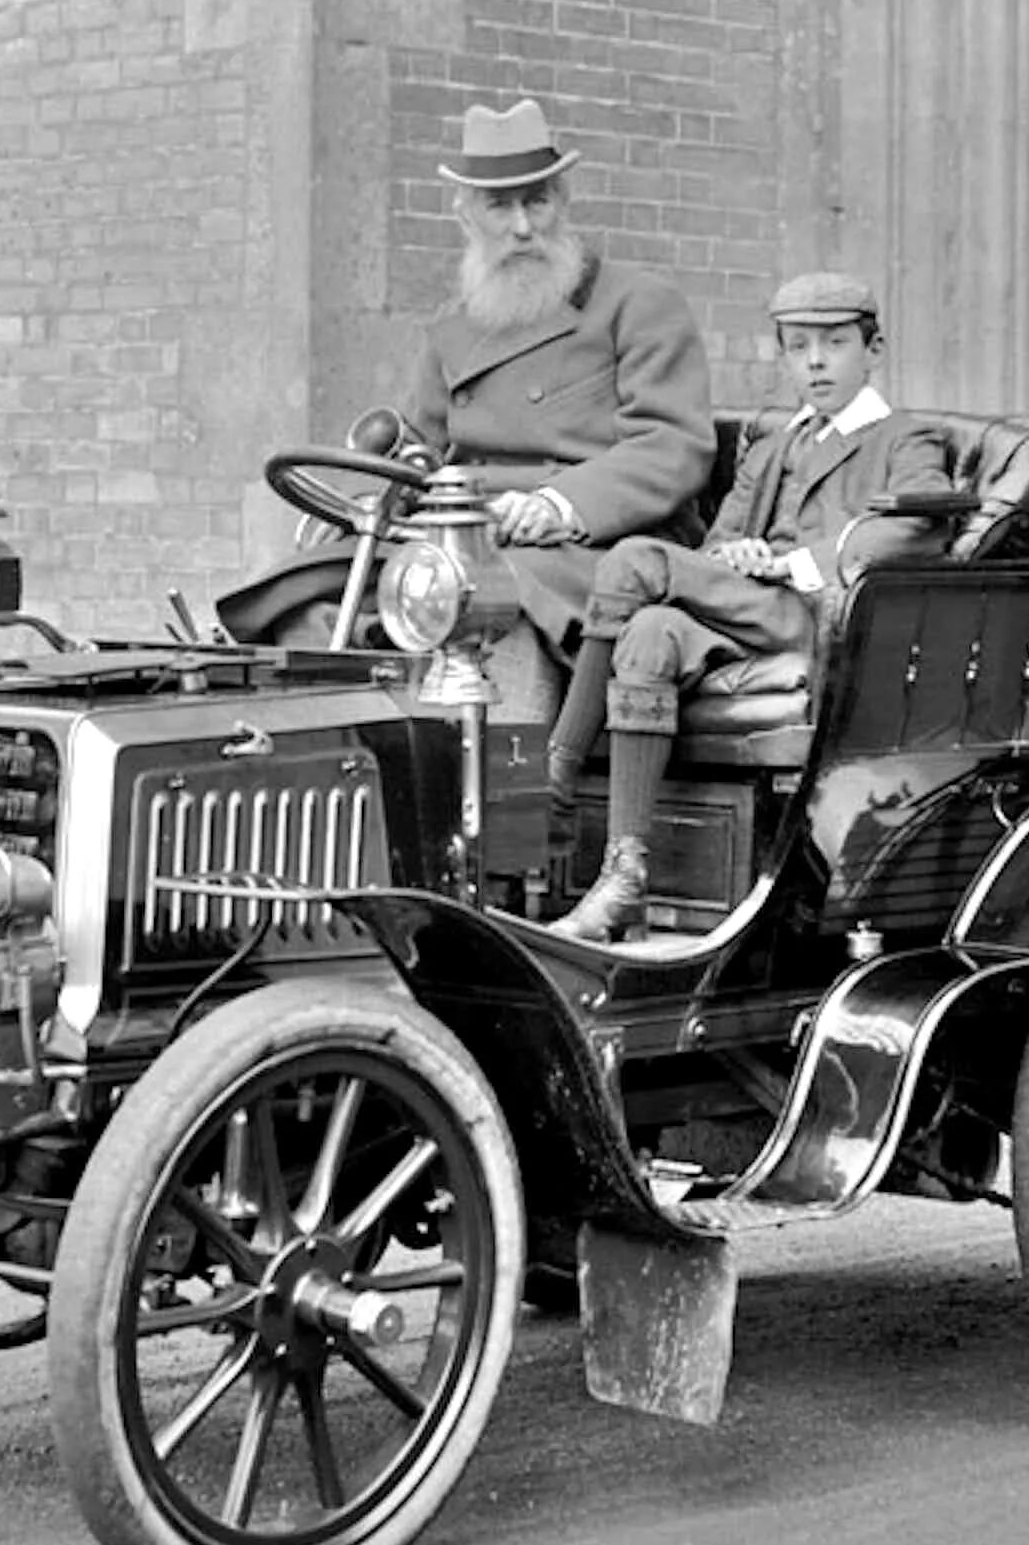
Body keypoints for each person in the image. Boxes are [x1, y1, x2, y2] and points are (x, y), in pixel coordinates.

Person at [217, 98, 714, 655]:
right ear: (466, 217)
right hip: (459, 537)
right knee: (302, 601)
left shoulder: (639, 305)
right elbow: (410, 453)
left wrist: (557, 505)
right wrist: (360, 505)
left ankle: (516, 744)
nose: (524, 227)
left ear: (563, 202)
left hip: (601, 542)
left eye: (538, 201)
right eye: (500, 207)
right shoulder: (452, 333)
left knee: (490, 606)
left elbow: (673, 446)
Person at [546, 272, 954, 943]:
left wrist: (793, 563)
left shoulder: (906, 439)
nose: (815, 361)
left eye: (834, 343)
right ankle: (625, 877)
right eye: (798, 347)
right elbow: (719, 542)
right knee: (649, 633)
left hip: (822, 620)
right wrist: (735, 557)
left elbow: (916, 525)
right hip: (749, 612)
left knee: (631, 563)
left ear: (873, 349)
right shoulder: (773, 447)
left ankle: (555, 779)